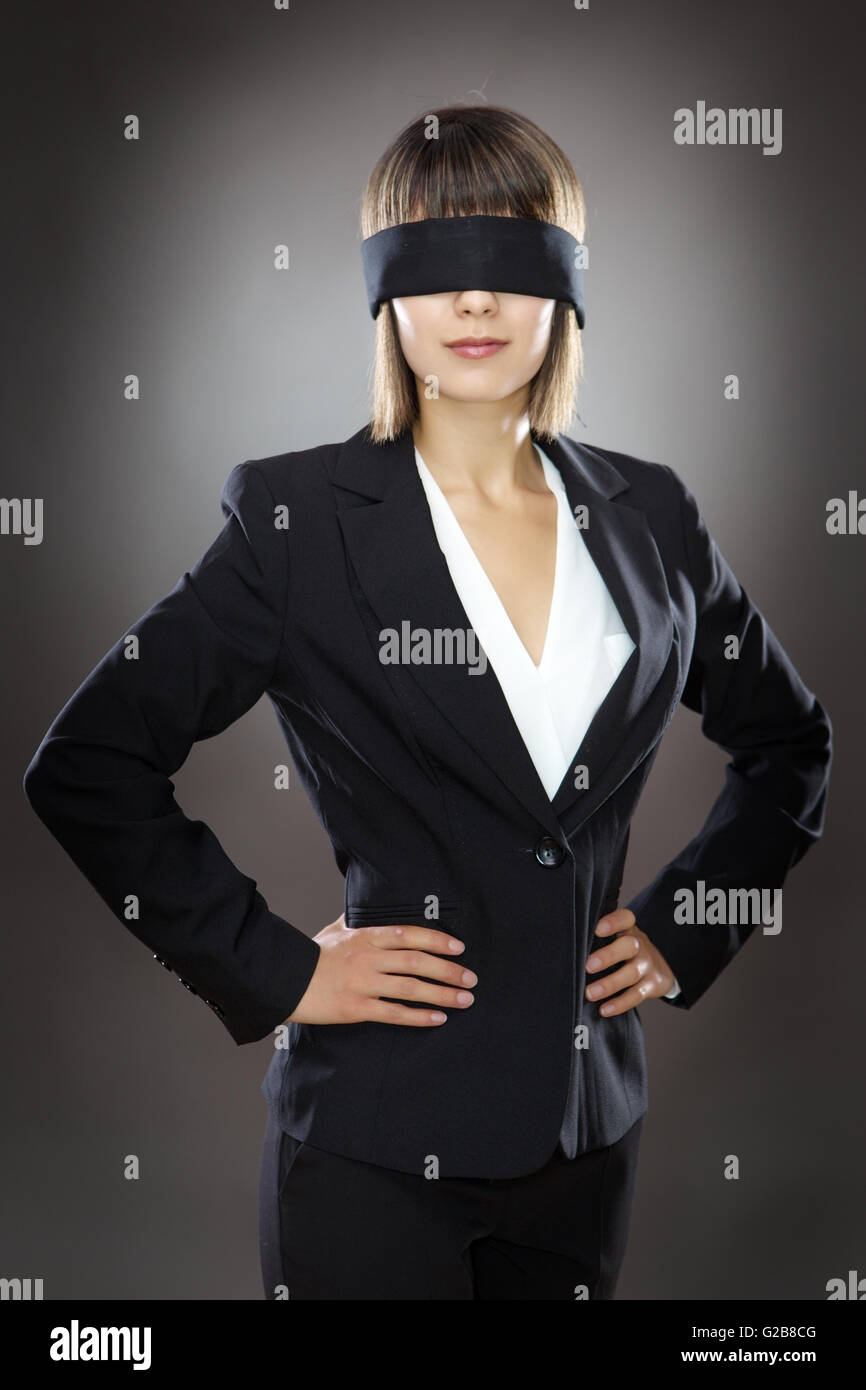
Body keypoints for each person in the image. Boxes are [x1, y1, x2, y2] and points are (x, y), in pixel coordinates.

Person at [23, 104, 832, 1301]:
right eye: (433, 260)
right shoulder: (292, 525)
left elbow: (787, 741)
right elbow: (87, 760)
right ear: (381, 291)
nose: (473, 300)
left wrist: (684, 925)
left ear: (563, 287)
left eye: (509, 256)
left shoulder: (652, 516)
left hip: (584, 1142)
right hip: (373, 1149)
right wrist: (276, 968)